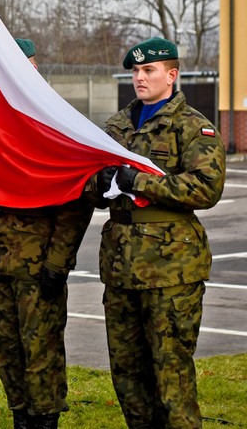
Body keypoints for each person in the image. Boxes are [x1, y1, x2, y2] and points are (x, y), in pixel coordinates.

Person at [86, 37, 226, 428]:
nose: (140, 78)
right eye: (135, 71)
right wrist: (103, 182)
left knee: (171, 376)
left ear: (172, 75)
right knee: (128, 375)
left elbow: (206, 189)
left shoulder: (193, 127)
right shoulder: (116, 126)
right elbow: (89, 186)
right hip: (120, 268)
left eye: (149, 70)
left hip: (171, 271)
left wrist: (140, 182)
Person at [0, 38, 94, 429]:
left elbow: (76, 198)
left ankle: (44, 422)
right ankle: (21, 418)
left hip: (37, 264)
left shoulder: (53, 119)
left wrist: (59, 262)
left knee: (40, 351)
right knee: (4, 347)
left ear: (34, 67)